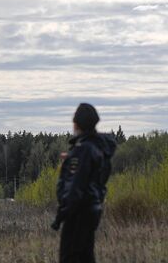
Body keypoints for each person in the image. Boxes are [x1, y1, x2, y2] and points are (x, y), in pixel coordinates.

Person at [52, 103, 117, 263]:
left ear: (77, 123)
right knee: (86, 256)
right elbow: (97, 178)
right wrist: (72, 160)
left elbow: (76, 187)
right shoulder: (98, 148)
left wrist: (61, 215)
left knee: (70, 257)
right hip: (92, 209)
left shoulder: (83, 149)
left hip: (78, 212)